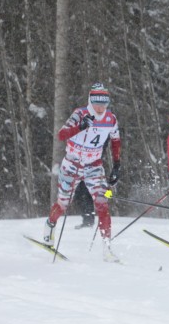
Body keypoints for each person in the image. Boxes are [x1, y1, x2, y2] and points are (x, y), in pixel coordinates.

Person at [43, 83, 122, 262]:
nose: (101, 107)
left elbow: (116, 141)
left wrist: (117, 165)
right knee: (63, 203)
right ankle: (50, 227)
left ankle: (107, 249)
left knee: (103, 200)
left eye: (104, 103)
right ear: (90, 101)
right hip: (72, 164)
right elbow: (61, 135)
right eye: (96, 103)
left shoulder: (111, 119)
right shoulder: (80, 114)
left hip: (94, 165)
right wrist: (79, 127)